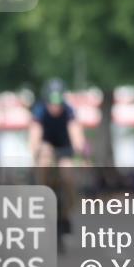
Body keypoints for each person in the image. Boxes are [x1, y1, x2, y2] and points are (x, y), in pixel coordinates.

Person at [29, 78, 87, 239]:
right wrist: (38, 149)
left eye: (59, 101)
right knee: (44, 165)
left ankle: (67, 212)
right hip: (46, 146)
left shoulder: (69, 111)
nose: (55, 106)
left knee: (68, 175)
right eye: (52, 102)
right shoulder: (40, 111)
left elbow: (77, 136)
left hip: (64, 148)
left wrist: (81, 153)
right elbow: (34, 138)